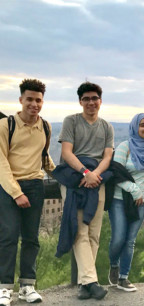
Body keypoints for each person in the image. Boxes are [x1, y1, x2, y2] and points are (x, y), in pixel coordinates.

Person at [0, 79, 56, 306]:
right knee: (9, 236)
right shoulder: (6, 125)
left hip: (35, 186)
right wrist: (16, 192)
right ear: (21, 100)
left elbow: (45, 158)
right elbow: (1, 162)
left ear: (43, 101)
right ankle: (4, 288)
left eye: (38, 100)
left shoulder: (45, 126)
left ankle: (27, 286)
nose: (34, 104)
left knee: (32, 239)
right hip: (9, 187)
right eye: (30, 99)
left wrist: (67, 175)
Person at [57, 82, 114, 300]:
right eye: (86, 99)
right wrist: (84, 173)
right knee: (79, 230)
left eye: (94, 98)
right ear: (80, 101)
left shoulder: (107, 126)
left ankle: (83, 283)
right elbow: (67, 152)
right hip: (74, 179)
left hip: (96, 180)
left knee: (93, 233)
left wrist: (95, 174)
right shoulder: (71, 121)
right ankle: (92, 281)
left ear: (100, 101)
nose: (91, 102)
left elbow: (107, 156)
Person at [107, 113, 144, 292]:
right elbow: (116, 173)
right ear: (135, 127)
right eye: (142, 125)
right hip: (120, 199)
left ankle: (123, 277)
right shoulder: (124, 146)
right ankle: (114, 263)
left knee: (130, 240)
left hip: (141, 202)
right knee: (119, 237)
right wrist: (135, 190)